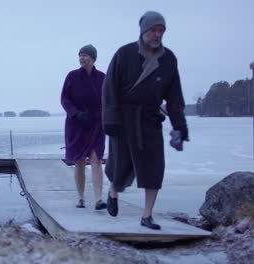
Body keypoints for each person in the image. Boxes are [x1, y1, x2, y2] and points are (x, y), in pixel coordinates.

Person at [102, 11, 189, 229]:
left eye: (161, 30)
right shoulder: (125, 54)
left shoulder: (168, 59)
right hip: (123, 118)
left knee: (154, 166)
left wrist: (179, 125)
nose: (157, 34)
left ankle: (147, 215)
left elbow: (174, 95)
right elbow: (109, 88)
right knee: (120, 163)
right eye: (153, 30)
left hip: (150, 119)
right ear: (143, 31)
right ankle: (113, 191)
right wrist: (110, 118)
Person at [61, 44, 107, 210]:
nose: (82, 58)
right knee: (79, 162)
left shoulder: (102, 77)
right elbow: (64, 99)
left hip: (96, 124)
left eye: (85, 55)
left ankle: (98, 199)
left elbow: (109, 99)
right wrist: (75, 113)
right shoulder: (72, 76)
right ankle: (80, 198)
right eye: (80, 55)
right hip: (76, 125)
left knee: (96, 160)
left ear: (93, 58)